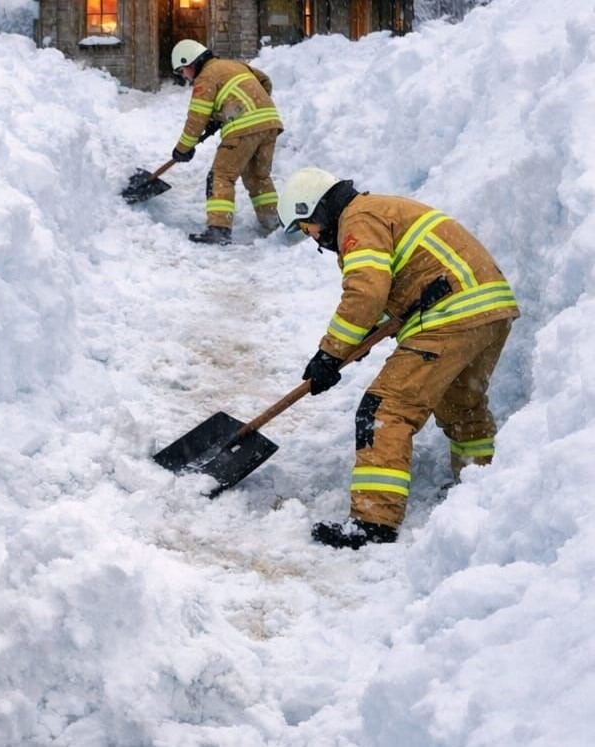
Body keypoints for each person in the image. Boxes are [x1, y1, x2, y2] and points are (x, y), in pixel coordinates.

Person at [277, 168, 519, 549]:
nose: (312, 237)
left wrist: (329, 353)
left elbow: (365, 293)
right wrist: (348, 350)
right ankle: (480, 487)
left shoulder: (358, 219)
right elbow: (386, 300)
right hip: (488, 312)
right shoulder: (381, 210)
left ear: (318, 209)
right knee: (463, 405)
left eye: (305, 226)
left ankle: (373, 523)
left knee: (384, 412)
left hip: (448, 315)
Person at [169, 39, 284, 246]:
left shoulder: (205, 78)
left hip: (243, 128)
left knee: (221, 175)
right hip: (269, 122)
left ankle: (219, 229)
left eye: (181, 71)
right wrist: (229, 112)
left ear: (190, 63)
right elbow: (265, 81)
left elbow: (196, 118)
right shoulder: (234, 65)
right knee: (258, 177)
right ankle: (272, 223)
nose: (184, 77)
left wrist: (182, 149)